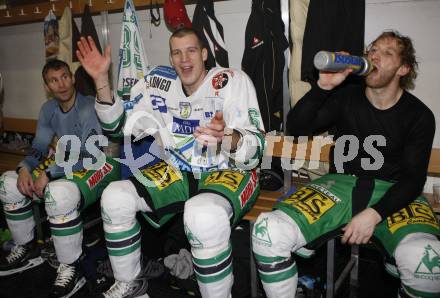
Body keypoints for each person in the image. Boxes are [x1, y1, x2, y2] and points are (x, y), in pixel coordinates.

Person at [76, 27, 265, 298]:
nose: (184, 58)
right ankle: (130, 284)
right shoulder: (157, 83)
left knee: (203, 216)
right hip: (181, 171)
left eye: (190, 50)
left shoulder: (232, 81)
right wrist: (101, 80)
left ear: (204, 54)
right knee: (115, 196)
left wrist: (226, 137)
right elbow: (118, 127)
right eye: (176, 52)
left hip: (230, 170)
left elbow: (257, 151)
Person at [252, 30, 440, 297]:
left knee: (426, 259)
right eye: (373, 49)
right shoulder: (346, 95)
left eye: (387, 53)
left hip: (393, 192)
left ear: (403, 68)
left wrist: (374, 214)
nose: (375, 55)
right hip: (339, 186)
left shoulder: (418, 115)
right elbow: (296, 130)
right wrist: (323, 87)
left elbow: (412, 180)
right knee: (267, 231)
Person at [0, 59, 120, 298]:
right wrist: (25, 167)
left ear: (73, 78)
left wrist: (49, 173)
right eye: (54, 80)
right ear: (47, 86)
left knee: (58, 194)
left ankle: (70, 265)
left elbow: (89, 154)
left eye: (65, 76)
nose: (61, 84)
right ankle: (26, 247)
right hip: (66, 163)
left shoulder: (88, 107)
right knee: (8, 182)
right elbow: (40, 146)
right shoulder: (48, 109)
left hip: (102, 164)